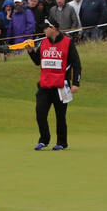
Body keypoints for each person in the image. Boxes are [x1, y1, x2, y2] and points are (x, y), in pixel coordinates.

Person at [23, 19, 82, 151]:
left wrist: (76, 83)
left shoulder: (68, 42)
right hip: (45, 85)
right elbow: (38, 61)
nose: (44, 31)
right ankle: (44, 140)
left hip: (62, 85)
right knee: (40, 112)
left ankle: (62, 142)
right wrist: (31, 51)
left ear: (53, 28)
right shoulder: (43, 42)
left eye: (46, 28)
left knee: (60, 116)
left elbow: (77, 64)